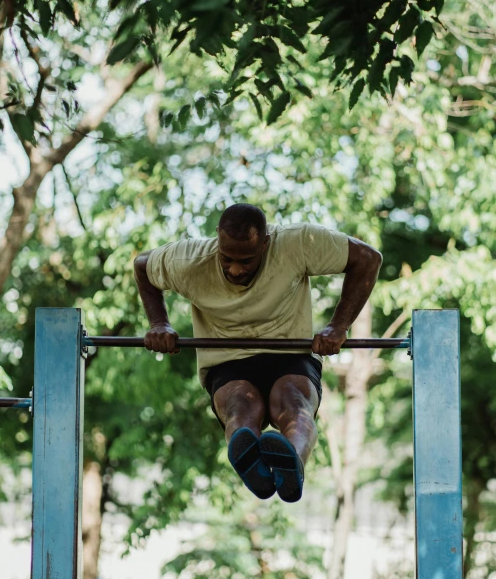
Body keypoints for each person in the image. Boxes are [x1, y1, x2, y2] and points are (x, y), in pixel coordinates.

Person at [134, 204, 382, 503]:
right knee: (240, 405)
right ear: (217, 240)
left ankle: (291, 463)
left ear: (266, 242)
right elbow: (142, 266)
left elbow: (368, 259)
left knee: (293, 401)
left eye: (247, 260)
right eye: (227, 259)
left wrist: (338, 326)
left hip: (290, 352)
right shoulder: (189, 260)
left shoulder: (296, 242)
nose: (236, 269)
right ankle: (255, 467)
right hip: (227, 358)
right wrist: (159, 323)